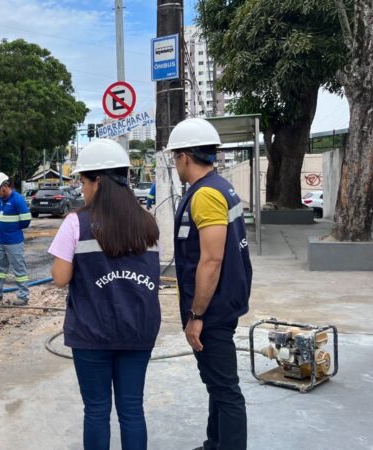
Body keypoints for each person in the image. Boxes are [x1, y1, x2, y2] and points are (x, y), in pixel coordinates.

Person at [48, 139, 161, 450]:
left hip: (92, 332)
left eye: (83, 181)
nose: (81, 189)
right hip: (138, 329)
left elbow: (60, 278)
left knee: (97, 411)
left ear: (97, 182)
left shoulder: (76, 222)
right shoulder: (147, 222)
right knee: (132, 410)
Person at [168, 118, 252, 450]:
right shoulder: (221, 186)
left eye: (176, 157)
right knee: (217, 385)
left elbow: (212, 260)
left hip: (212, 310)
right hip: (224, 302)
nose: (175, 164)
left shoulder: (205, 196)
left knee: (225, 389)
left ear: (185, 156)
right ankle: (214, 443)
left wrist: (196, 315)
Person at [0, 172, 31, 305]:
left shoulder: (17, 199)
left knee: (19, 269)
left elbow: (26, 221)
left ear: (4, 186)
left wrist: (12, 229)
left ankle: (23, 296)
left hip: (14, 242)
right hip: (1, 240)